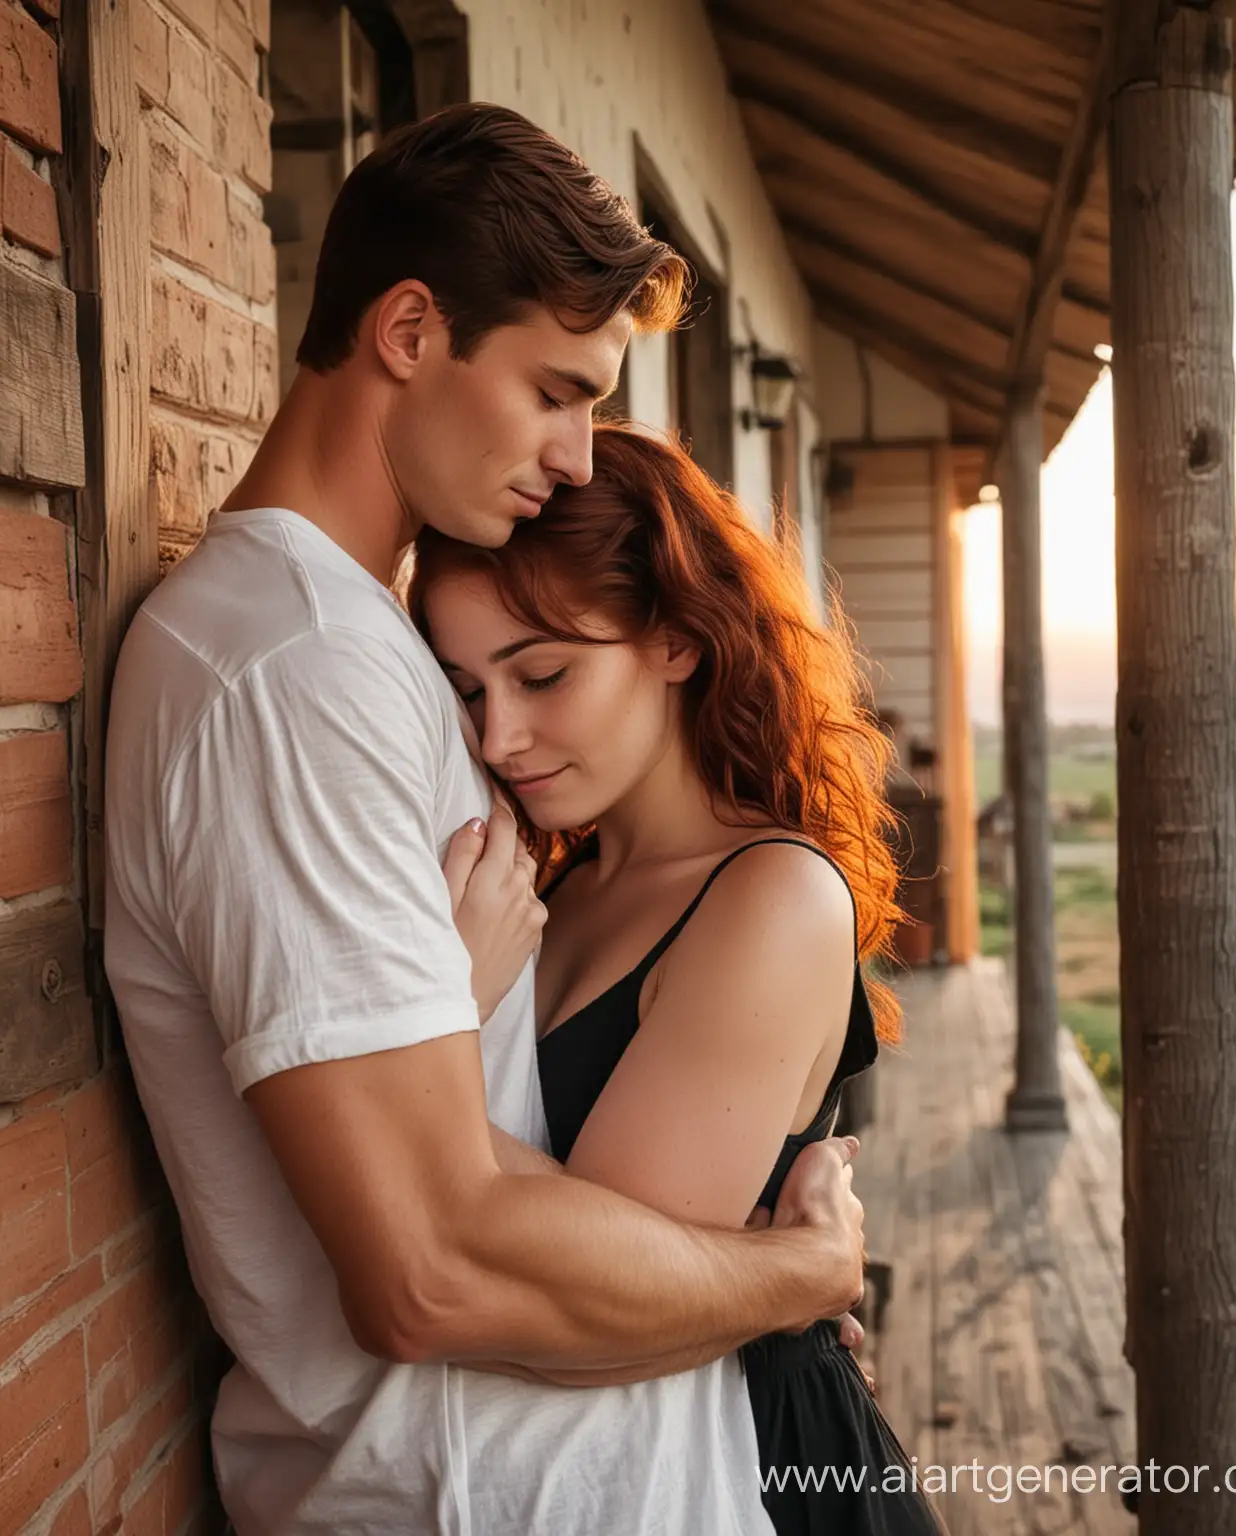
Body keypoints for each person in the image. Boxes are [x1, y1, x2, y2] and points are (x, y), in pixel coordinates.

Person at [104, 102, 867, 1535]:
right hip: (481, 1495)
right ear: (407, 333)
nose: (581, 456)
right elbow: (427, 1271)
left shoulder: (354, 643)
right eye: (555, 391)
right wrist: (802, 1276)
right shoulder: (290, 673)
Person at [411, 423, 947, 1536]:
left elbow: (600, 1314)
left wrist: (433, 1031)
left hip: (760, 1473)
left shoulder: (770, 899)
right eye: (465, 690)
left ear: (678, 641)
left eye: (543, 673)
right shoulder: (557, 883)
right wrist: (787, 1262)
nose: (500, 735)